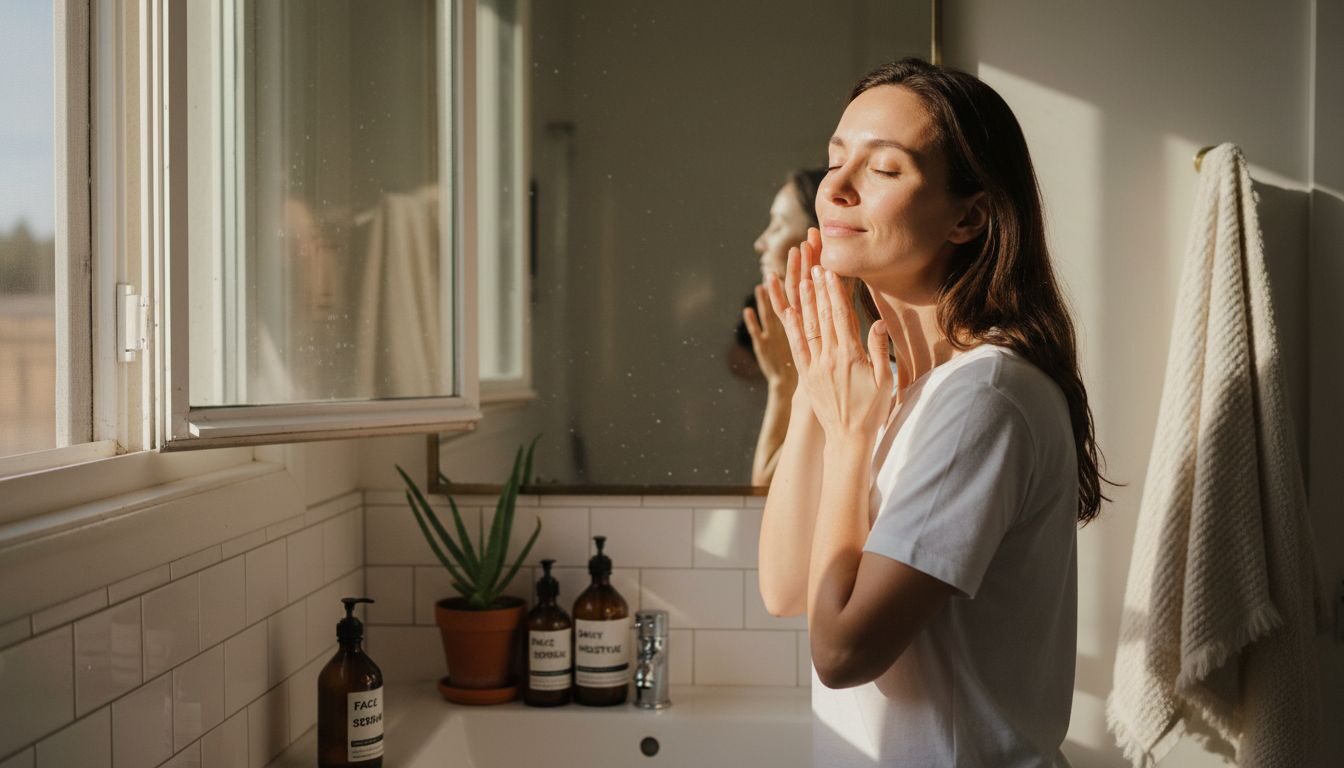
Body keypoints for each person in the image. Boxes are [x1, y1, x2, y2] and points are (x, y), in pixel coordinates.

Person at [756, 58, 1115, 767]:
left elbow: (842, 649)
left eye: (883, 169)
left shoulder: (985, 398)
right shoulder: (902, 386)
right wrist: (816, 384)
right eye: (836, 158)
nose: (837, 186)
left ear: (969, 215)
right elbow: (787, 589)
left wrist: (852, 438)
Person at [738, 168, 827, 486]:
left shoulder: (848, 367)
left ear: (816, 241)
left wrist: (782, 381)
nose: (760, 243)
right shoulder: (817, 357)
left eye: (778, 226)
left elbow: (767, 488)